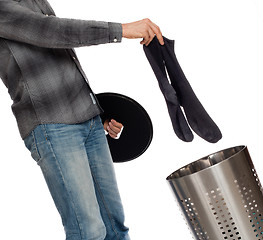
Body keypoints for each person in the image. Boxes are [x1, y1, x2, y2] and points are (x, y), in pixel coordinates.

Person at [0, 0, 164, 239]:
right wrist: (121, 30)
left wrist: (98, 111)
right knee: (88, 232)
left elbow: (60, 59)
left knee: (115, 228)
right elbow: (51, 32)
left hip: (89, 119)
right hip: (52, 126)